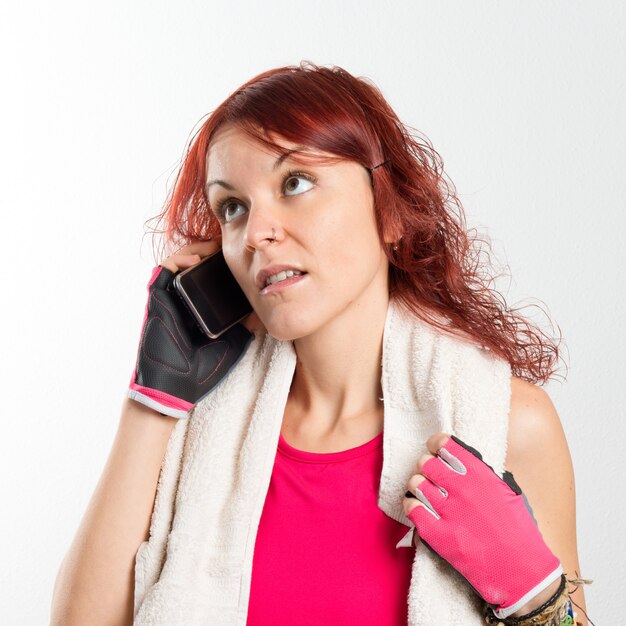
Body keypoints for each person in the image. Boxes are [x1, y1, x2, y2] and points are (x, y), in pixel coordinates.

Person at [51, 61, 591, 626]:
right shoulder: (194, 429)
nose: (257, 232)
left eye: (295, 183)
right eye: (232, 206)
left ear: (390, 210)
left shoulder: (510, 425)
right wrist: (152, 404)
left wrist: (535, 594)